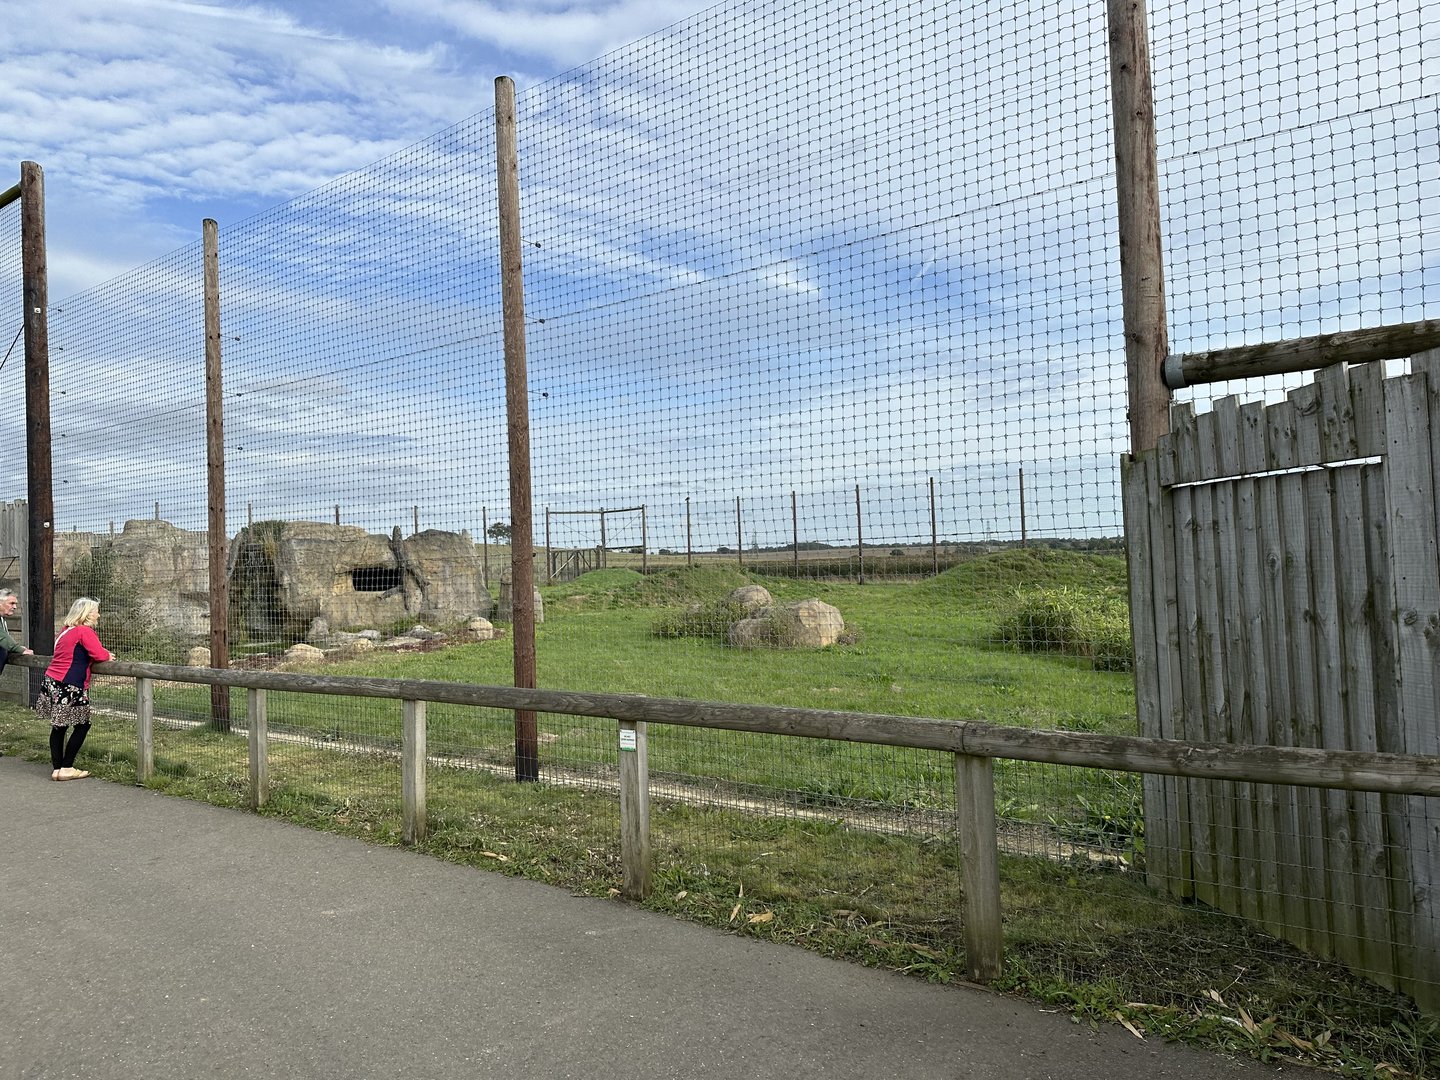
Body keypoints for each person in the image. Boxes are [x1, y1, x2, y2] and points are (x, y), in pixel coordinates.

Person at [36, 597, 112, 781]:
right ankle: (67, 767)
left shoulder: (65, 631)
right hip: (70, 684)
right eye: (95, 612)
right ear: (86, 614)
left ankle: (57, 769)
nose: (98, 615)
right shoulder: (84, 631)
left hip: (53, 680)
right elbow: (99, 654)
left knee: (59, 726)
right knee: (83, 724)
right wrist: (108, 655)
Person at [0, 587, 34, 668]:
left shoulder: (2, 619)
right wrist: (19, 649)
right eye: (11, 603)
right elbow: (2, 637)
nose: (15, 607)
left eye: (15, 604)